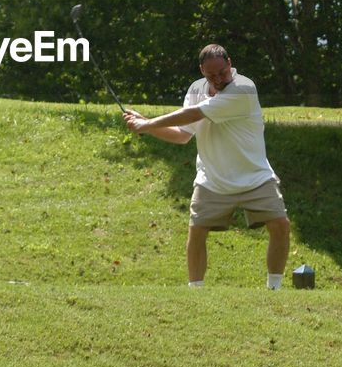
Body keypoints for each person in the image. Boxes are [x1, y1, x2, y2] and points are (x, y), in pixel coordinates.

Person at [123, 44, 290, 289]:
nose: (219, 79)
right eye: (211, 75)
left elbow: (194, 114)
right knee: (197, 231)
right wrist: (147, 127)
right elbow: (182, 135)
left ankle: (274, 288)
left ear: (229, 63)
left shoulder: (243, 88)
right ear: (202, 71)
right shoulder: (195, 89)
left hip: (255, 177)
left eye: (223, 72)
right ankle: (195, 293)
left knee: (280, 225)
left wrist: (146, 124)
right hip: (212, 180)